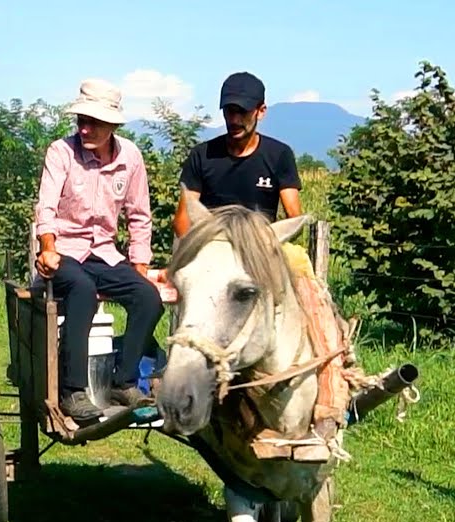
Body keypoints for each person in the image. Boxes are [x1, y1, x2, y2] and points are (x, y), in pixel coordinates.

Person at [33, 78, 164, 425]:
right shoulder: (61, 152)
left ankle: (123, 380)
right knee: (82, 290)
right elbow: (45, 209)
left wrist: (139, 265)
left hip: (105, 252)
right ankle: (72, 390)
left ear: (113, 126)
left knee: (149, 298)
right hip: (64, 251)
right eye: (81, 121)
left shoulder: (130, 157)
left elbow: (139, 215)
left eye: (94, 122)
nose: (85, 128)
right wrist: (47, 249)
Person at [173, 71, 303, 237]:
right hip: (211, 247)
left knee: (299, 261)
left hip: (259, 248)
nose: (234, 120)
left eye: (242, 112)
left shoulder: (279, 155)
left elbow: (293, 216)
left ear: (261, 111)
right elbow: (181, 220)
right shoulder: (202, 155)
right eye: (229, 111)